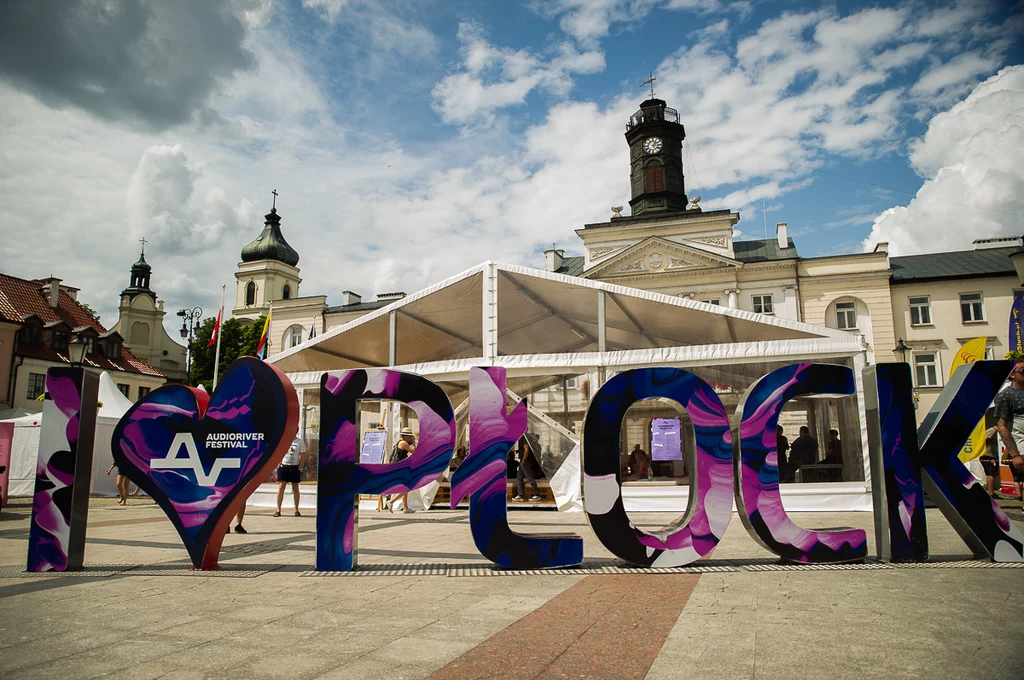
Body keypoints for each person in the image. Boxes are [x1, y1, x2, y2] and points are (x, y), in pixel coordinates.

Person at [993, 361, 1024, 510]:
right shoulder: (1006, 395)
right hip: (1020, 441)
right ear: (1013, 375)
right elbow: (1002, 426)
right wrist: (1015, 454)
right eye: (1023, 370)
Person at [273, 435, 306, 517]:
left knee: (295, 488)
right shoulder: (283, 440)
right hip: (284, 467)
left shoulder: (299, 442)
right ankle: (278, 509)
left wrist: (300, 467)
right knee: (281, 487)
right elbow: (279, 452)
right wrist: (278, 463)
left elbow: (303, 454)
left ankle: (296, 509)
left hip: (294, 467)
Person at [386, 428, 417, 513]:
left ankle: (405, 508)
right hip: (399, 468)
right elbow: (413, 451)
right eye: (410, 436)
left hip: (399, 467)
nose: (411, 438)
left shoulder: (400, 442)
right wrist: (414, 442)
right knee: (409, 486)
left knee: (405, 486)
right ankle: (391, 501)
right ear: (406, 436)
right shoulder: (403, 443)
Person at [982, 426, 1001, 498]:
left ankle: (990, 491)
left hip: (988, 455)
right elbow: (985, 439)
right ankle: (991, 493)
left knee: (990, 474)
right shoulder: (992, 430)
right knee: (991, 474)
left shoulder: (992, 431)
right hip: (989, 455)